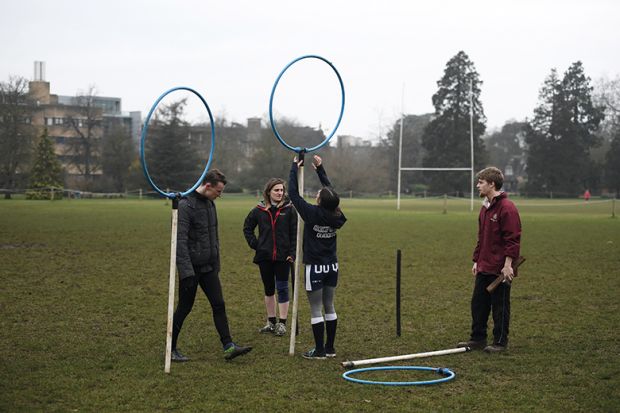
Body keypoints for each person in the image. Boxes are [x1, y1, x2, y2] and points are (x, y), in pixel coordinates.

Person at [172, 169, 252, 362]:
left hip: (209, 268)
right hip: (191, 270)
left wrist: (216, 263)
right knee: (184, 308)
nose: (220, 195)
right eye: (218, 191)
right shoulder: (185, 205)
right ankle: (170, 348)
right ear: (207, 186)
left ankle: (228, 346)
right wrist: (186, 272)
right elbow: (179, 241)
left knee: (219, 304)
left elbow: (213, 237)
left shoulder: (210, 204)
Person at [457, 167, 522, 353]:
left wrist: (508, 265)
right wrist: (476, 261)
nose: (478, 185)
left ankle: (500, 342)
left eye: (481, 182)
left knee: (500, 307)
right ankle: (477, 339)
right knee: (478, 304)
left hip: (500, 269)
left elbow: (512, 239)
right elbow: (482, 237)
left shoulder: (507, 208)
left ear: (492, 184)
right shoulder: (485, 208)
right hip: (484, 266)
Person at [289, 154, 347, 359]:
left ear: (320, 200)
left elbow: (293, 194)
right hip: (332, 266)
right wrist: (321, 171)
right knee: (329, 305)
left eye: (319, 194)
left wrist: (294, 167)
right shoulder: (336, 214)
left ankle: (320, 351)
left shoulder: (312, 213)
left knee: (315, 309)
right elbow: (332, 195)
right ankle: (330, 348)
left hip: (314, 267)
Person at [243, 178, 297, 337]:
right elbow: (247, 228)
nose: (280, 193)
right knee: (268, 290)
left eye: (282, 190)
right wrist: (256, 244)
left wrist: (292, 253)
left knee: (282, 289)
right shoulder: (258, 210)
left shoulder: (289, 209)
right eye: (276, 190)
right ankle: (271, 322)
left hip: (283, 257)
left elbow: (295, 234)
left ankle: (282, 323)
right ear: (268, 192)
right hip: (265, 257)